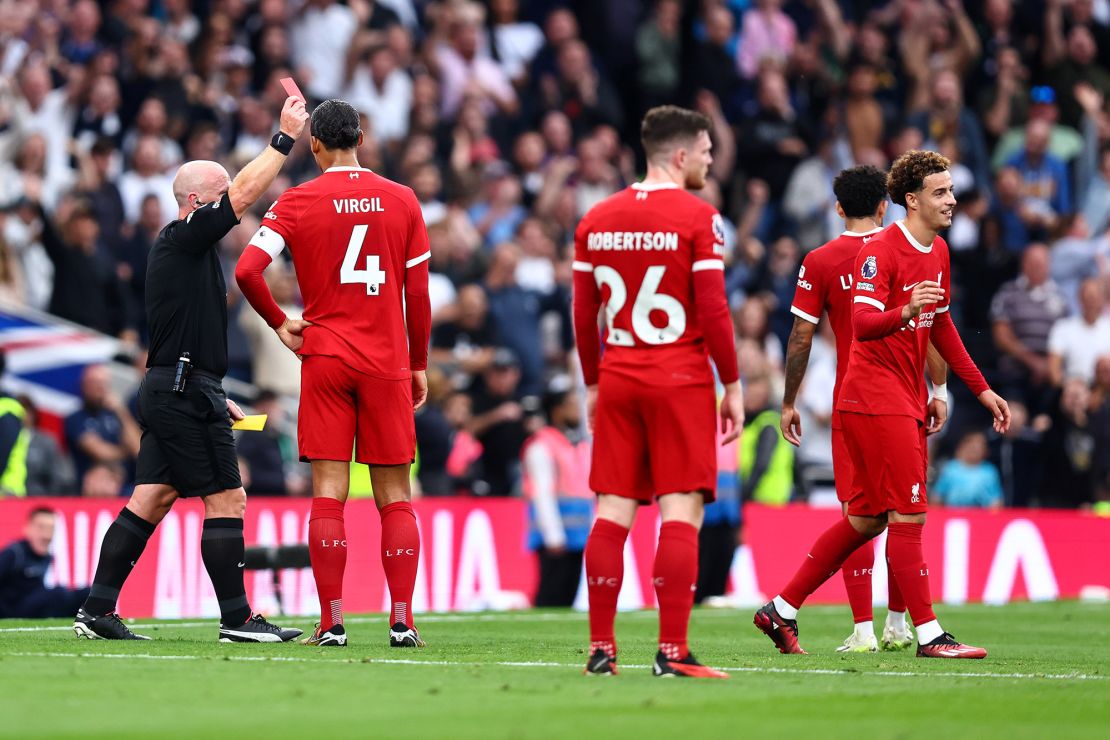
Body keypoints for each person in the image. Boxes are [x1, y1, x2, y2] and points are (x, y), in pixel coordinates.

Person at [755, 150, 1011, 659]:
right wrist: (905, 309)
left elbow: (941, 327)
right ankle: (928, 633)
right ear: (911, 201)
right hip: (873, 397)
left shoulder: (938, 252)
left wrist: (978, 389)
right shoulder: (878, 252)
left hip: (904, 396)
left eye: (952, 190)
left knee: (868, 519)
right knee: (908, 514)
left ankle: (781, 609)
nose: (952, 200)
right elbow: (864, 324)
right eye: (941, 192)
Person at [74, 95, 309, 643]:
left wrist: (209, 387)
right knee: (228, 497)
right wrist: (283, 138)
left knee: (151, 497)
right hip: (180, 389)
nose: (233, 200)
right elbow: (246, 194)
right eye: (222, 192)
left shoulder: (186, 250)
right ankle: (237, 621)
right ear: (199, 200)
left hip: (175, 385)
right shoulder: (182, 236)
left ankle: (96, 609)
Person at [235, 99, 432, 649]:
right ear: (361, 140)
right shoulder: (404, 201)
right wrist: (418, 364)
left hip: (324, 357)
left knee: (329, 493)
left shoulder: (296, 201)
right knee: (395, 495)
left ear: (314, 145)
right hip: (387, 361)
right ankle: (401, 620)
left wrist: (280, 324)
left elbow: (248, 270)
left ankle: (332, 621)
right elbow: (417, 294)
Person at [573, 105, 743, 678]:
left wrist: (594, 382)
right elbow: (714, 309)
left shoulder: (595, 218)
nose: (710, 160)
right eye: (705, 151)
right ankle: (673, 652)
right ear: (679, 155)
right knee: (681, 509)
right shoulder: (700, 218)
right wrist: (734, 384)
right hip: (680, 377)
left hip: (619, 373)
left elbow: (582, 311)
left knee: (612, 510)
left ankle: (601, 649)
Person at [780, 165, 948, 653]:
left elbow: (801, 336)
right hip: (905, 397)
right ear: (885, 205)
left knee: (863, 509)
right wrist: (938, 390)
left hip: (851, 402)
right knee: (903, 509)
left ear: (838, 208)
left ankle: (862, 628)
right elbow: (929, 326)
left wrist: (789, 400)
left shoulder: (821, 260)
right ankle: (900, 623)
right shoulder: (906, 248)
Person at [521, 376, 592, 607]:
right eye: (571, 404)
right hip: (556, 537)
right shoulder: (542, 445)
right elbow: (542, 494)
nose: (577, 410)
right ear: (557, 409)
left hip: (578, 536)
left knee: (569, 593)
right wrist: (553, 535)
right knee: (552, 593)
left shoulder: (577, 443)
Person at [0, 508, 89, 618]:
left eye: (51, 529)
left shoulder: (46, 556)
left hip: (34, 604)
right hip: (13, 610)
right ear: (27, 528)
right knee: (59, 593)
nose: (46, 535)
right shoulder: (14, 553)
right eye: (41, 527)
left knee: (88, 593)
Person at [933, 431, 1004, 509]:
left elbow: (996, 500)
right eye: (972, 446)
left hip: (982, 517)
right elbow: (938, 496)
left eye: (980, 446)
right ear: (963, 447)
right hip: (954, 517)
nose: (975, 449)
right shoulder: (951, 469)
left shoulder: (990, 471)